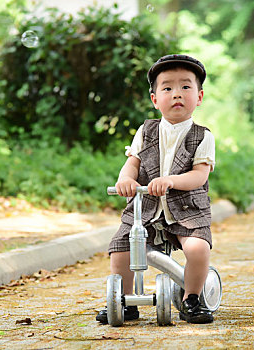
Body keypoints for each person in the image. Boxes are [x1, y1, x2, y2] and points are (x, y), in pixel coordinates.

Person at [96, 54, 216, 324]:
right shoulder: (146, 131)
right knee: (121, 248)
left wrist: (172, 181)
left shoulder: (202, 136)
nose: (177, 94)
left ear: (199, 97)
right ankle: (125, 301)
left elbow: (199, 176)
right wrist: (125, 179)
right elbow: (132, 163)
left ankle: (192, 298)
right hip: (145, 208)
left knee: (197, 248)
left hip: (187, 210)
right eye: (167, 88)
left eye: (186, 87)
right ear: (154, 99)